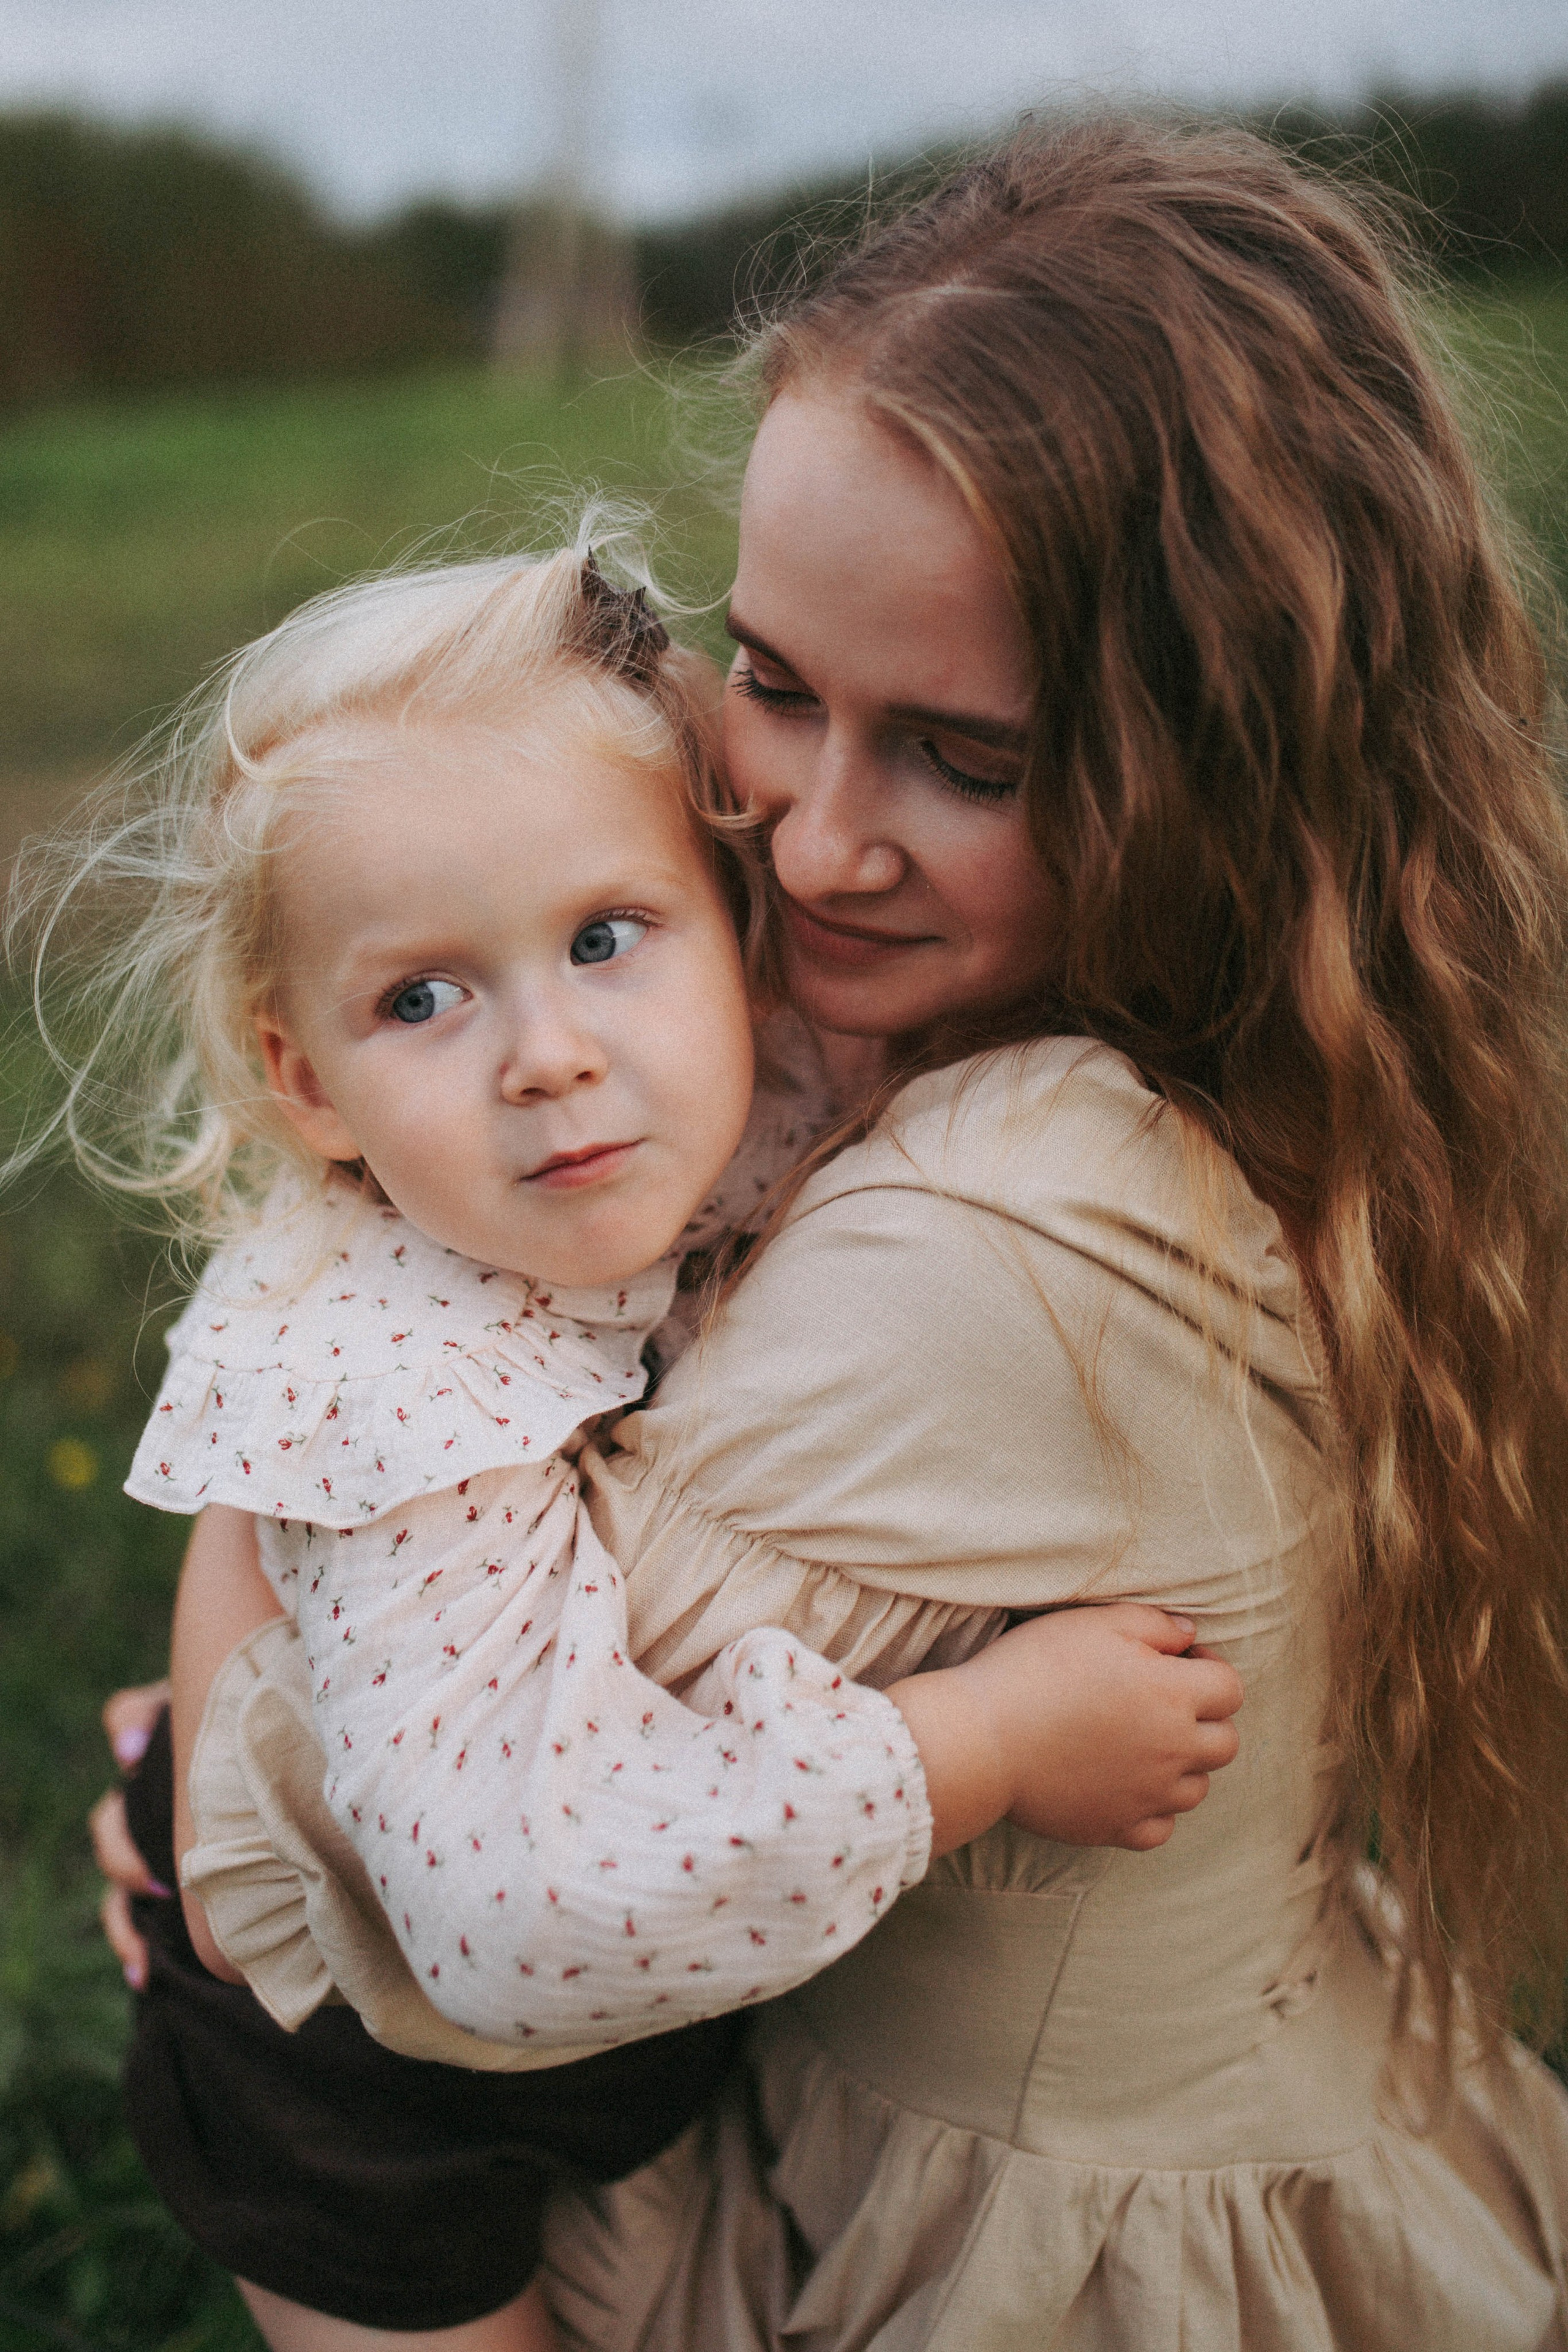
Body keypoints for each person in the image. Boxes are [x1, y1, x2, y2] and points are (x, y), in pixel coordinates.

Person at [20, 534, 1238, 2350]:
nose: (548, 1054)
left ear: (734, 939)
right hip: (352, 2087)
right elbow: (526, 1919)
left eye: (603, 936)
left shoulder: (738, 1085)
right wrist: (986, 1741)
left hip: (617, 2006)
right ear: (306, 1084)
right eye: (421, 998)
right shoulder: (393, 1386)